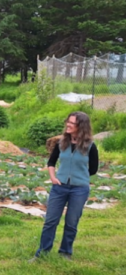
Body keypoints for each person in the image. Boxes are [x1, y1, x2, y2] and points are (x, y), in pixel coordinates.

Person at [33, 111, 98, 260]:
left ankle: (65, 252)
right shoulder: (61, 142)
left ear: (81, 126)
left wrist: (79, 177)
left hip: (79, 189)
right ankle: (42, 253)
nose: (68, 125)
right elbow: (51, 162)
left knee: (71, 222)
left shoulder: (90, 146)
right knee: (50, 221)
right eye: (67, 122)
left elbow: (93, 169)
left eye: (72, 123)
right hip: (59, 187)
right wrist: (53, 177)